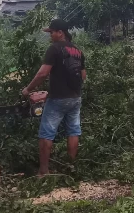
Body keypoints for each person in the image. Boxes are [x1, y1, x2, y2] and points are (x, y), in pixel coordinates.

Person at [22, 19, 87, 176]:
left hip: (58, 99)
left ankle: (44, 171)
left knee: (46, 133)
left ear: (60, 33)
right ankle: (71, 166)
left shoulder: (54, 49)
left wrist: (28, 89)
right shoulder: (78, 51)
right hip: (75, 98)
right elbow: (83, 76)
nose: (50, 35)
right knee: (73, 131)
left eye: (51, 32)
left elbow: (43, 73)